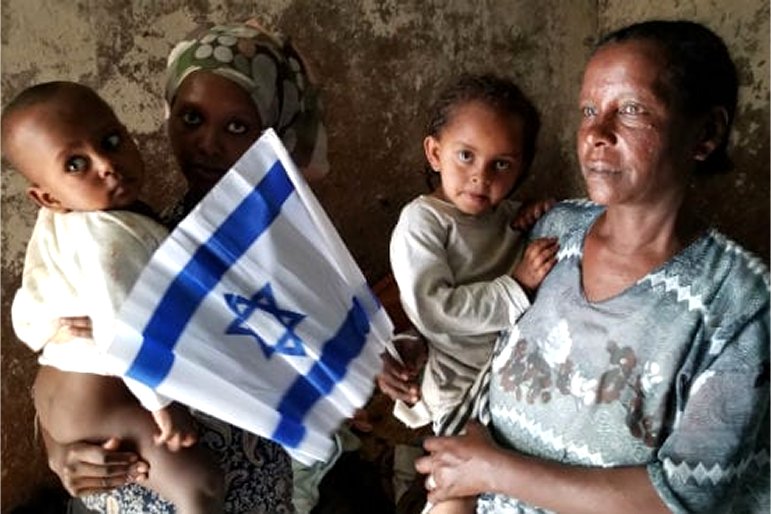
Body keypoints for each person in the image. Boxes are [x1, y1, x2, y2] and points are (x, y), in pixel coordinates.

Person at [382, 20, 770, 513]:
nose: (596, 134)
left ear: (706, 133)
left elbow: (687, 497)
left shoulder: (741, 304)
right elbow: (490, 329)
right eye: (589, 110)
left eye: (630, 109)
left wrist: (491, 470)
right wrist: (419, 350)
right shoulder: (553, 233)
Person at [32, 21, 329, 513]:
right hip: (131, 487)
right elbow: (63, 358)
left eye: (237, 127)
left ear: (274, 134)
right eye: (191, 119)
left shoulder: (294, 255)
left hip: (239, 493)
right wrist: (59, 451)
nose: (206, 145)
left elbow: (311, 373)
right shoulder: (145, 230)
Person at [2, 81, 224, 513]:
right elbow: (127, 327)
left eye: (111, 141)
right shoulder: (107, 234)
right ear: (47, 197)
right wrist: (163, 404)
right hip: (102, 408)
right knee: (201, 486)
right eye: (76, 164)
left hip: (74, 402)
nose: (107, 164)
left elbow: (36, 312)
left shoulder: (97, 221)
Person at [389, 74, 557, 513]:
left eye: (501, 164)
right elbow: (433, 308)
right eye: (466, 156)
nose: (480, 178)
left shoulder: (505, 217)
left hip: (509, 370)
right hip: (458, 380)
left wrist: (534, 217)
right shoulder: (423, 221)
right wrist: (516, 286)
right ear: (434, 152)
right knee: (457, 489)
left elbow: (512, 234)